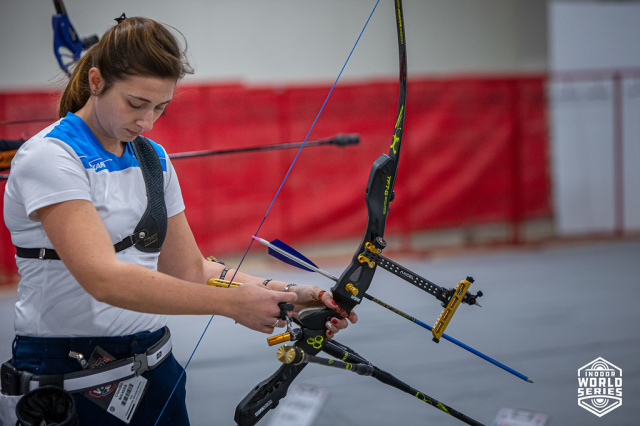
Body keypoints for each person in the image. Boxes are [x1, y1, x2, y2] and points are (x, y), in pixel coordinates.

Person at [1, 15, 356, 425]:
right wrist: (231, 305)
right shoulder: (51, 156)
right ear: (95, 81)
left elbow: (189, 268)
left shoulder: (152, 158)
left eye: (159, 108)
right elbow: (103, 279)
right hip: (67, 380)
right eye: (135, 104)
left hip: (153, 372)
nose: (147, 122)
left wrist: (288, 295)